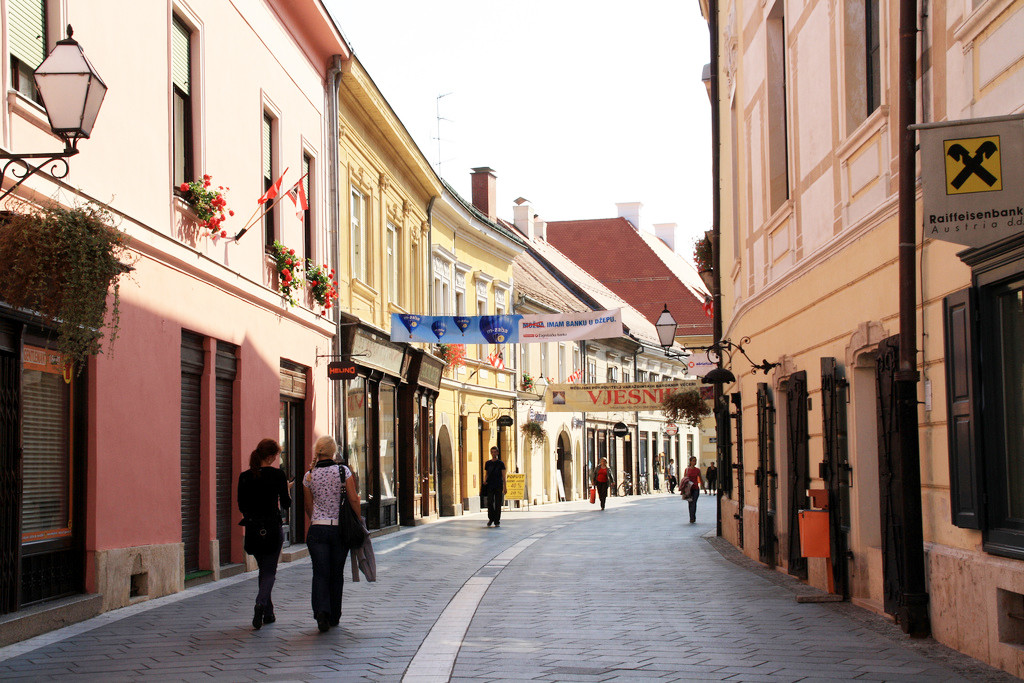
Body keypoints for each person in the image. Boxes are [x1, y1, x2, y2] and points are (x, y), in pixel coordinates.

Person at [303, 435, 361, 633]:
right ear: (333, 451)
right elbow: (353, 499)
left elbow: (308, 506)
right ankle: (334, 615)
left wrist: (317, 519)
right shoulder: (343, 471)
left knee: (320, 573)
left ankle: (321, 612)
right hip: (339, 530)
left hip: (317, 530)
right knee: (336, 573)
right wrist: (358, 521)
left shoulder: (309, 475)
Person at [238, 438, 291, 630]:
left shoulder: (245, 476)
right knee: (269, 571)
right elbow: (286, 504)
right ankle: (260, 603)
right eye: (276, 455)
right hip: (272, 529)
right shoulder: (277, 475)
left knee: (264, 569)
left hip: (253, 530)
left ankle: (268, 612)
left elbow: (241, 505)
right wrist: (287, 489)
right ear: (269, 457)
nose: (276, 459)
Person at [484, 446, 507, 527]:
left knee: (498, 503)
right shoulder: (488, 463)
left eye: (495, 452)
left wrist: (505, 487)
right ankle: (491, 518)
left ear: (497, 453)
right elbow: (486, 474)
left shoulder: (501, 463)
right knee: (489, 502)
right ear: (491, 453)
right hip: (490, 485)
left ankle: (497, 521)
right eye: (492, 452)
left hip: (498, 485)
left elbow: (503, 476)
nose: (493, 454)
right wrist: (485, 481)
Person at [682, 456, 703, 523]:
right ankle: (691, 516)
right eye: (693, 461)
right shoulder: (687, 470)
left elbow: (700, 478)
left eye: (695, 461)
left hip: (696, 488)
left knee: (694, 502)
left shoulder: (697, 470)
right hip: (689, 489)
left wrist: (704, 488)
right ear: (690, 462)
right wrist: (683, 489)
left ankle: (692, 517)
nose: (695, 462)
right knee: (690, 503)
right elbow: (684, 479)